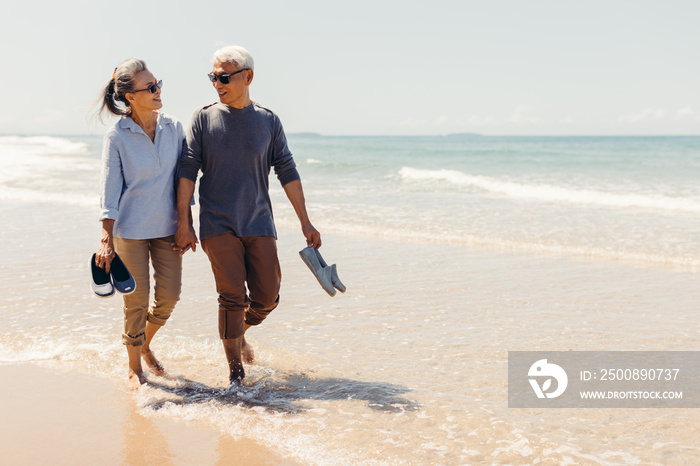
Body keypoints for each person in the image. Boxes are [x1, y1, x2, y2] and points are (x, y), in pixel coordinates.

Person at [175, 45, 321, 385]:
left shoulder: (268, 121)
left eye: (224, 77)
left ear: (248, 77)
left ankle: (238, 332)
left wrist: (305, 221)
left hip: (258, 221)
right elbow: (187, 170)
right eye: (213, 77)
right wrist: (184, 221)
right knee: (231, 296)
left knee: (268, 297)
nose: (217, 83)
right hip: (216, 222)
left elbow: (287, 169)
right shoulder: (203, 118)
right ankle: (236, 375)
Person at [95, 58, 186, 389]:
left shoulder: (174, 128)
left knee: (170, 297)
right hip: (130, 232)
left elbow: (184, 181)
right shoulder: (117, 135)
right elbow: (109, 190)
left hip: (168, 228)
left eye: (157, 83)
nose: (157, 90)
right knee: (135, 300)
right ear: (130, 96)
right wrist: (106, 239)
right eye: (150, 87)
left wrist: (186, 223)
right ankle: (135, 366)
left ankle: (144, 343)